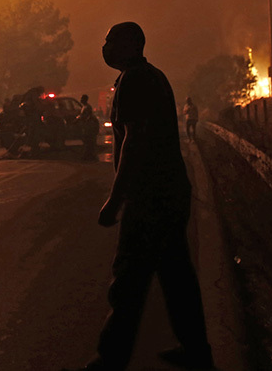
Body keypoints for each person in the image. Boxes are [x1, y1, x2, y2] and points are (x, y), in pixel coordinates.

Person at [65, 22, 213, 371]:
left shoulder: (135, 81)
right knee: (176, 277)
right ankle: (196, 351)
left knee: (129, 278)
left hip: (150, 197)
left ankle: (109, 360)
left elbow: (134, 142)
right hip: (169, 192)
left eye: (110, 41)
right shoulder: (152, 77)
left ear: (130, 45)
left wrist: (115, 201)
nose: (105, 48)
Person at [77, 94, 100, 160]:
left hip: (89, 127)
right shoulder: (84, 107)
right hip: (87, 126)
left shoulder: (87, 107)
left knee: (89, 141)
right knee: (87, 141)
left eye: (82, 98)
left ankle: (89, 155)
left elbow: (87, 116)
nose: (81, 100)